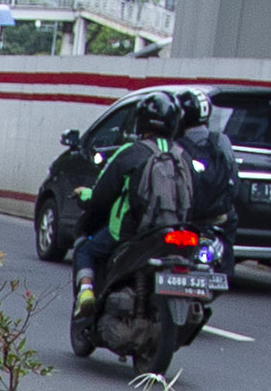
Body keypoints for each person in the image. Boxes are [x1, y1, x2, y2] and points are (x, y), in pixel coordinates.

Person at [71, 90, 208, 307]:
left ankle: (86, 293)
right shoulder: (184, 155)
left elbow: (102, 195)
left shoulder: (131, 151)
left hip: (131, 233)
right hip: (179, 231)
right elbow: (199, 197)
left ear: (141, 121)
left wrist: (85, 196)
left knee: (85, 250)